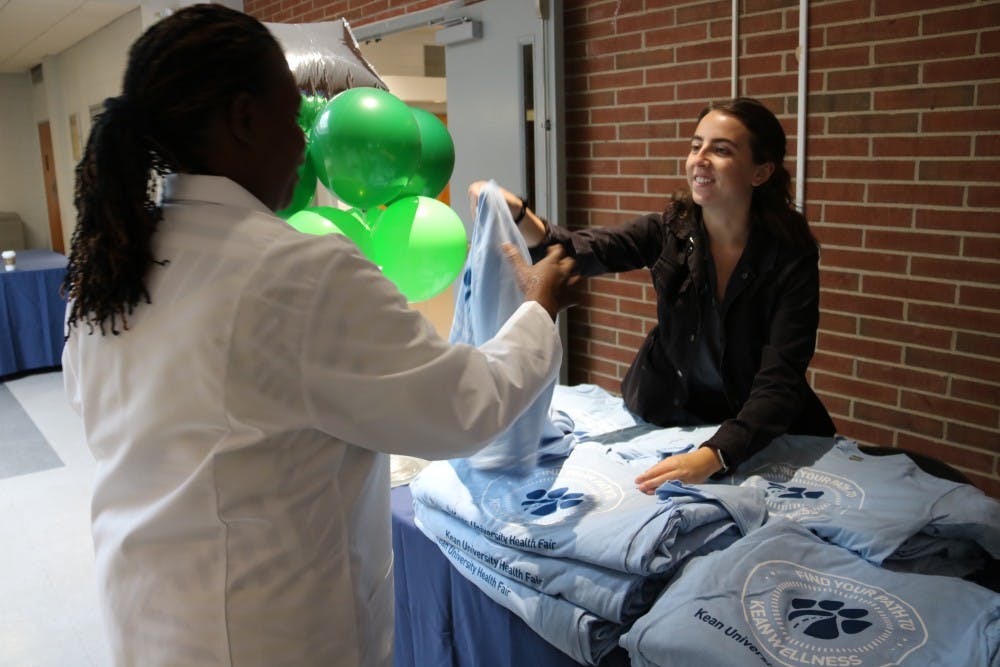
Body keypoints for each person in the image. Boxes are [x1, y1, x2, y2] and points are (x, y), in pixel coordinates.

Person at [61, 5, 578, 666]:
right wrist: (538, 307)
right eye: (294, 120)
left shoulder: (107, 269)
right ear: (244, 119)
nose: (306, 146)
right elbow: (464, 405)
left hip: (148, 614)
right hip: (263, 633)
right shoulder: (295, 271)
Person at [472, 97, 835, 490]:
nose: (700, 159)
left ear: (761, 172)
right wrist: (518, 214)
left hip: (753, 431)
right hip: (669, 410)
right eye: (696, 145)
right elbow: (581, 250)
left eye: (721, 150)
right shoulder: (669, 231)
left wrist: (714, 455)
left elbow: (781, 377)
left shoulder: (790, 257)